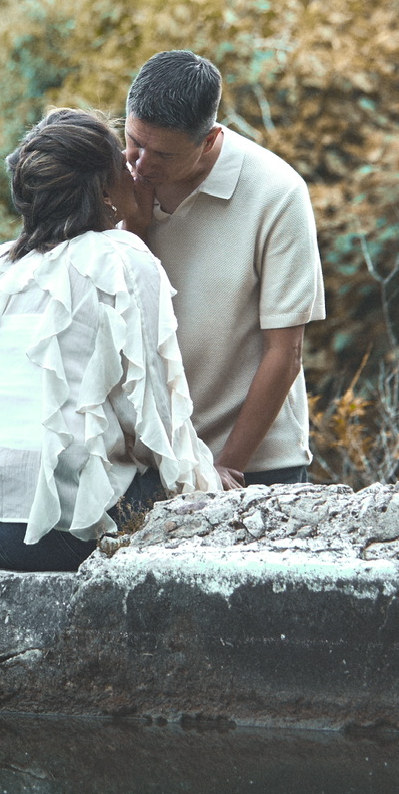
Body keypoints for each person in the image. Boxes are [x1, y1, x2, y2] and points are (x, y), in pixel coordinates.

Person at [0, 108, 218, 572]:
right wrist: (208, 483)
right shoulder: (123, 258)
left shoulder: (11, 266)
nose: (135, 171)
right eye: (122, 163)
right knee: (186, 494)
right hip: (54, 531)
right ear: (103, 188)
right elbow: (155, 422)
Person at [109, 51, 325, 490]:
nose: (140, 163)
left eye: (162, 154)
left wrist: (227, 467)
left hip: (254, 465)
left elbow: (285, 352)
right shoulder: (118, 177)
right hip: (150, 463)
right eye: (134, 141)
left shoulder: (277, 193)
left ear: (209, 141)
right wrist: (135, 227)